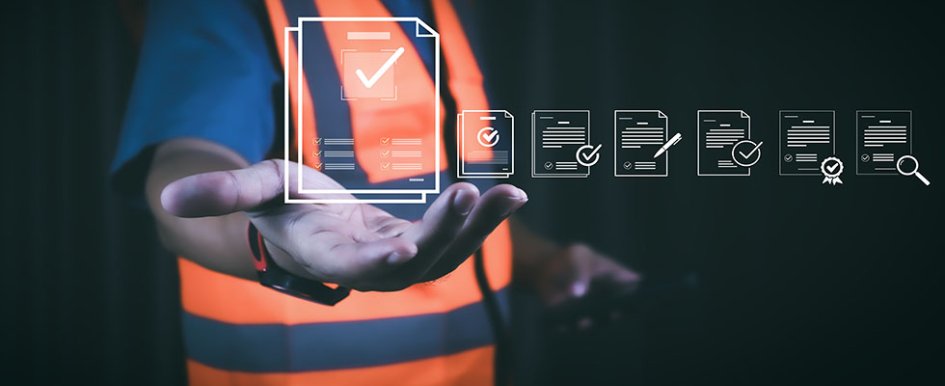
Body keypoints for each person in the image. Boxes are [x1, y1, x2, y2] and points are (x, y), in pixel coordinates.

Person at [111, 0, 640, 385]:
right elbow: (187, 166)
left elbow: (444, 198)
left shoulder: (438, 10)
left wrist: (544, 263)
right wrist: (282, 248)